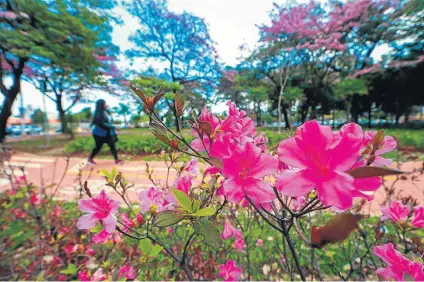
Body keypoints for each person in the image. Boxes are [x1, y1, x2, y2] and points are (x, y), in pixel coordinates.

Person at [87, 99, 124, 165]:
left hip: (106, 133)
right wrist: (114, 126)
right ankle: (90, 159)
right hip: (98, 134)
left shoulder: (105, 112)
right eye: (104, 104)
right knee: (98, 147)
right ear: (101, 105)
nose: (106, 105)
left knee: (112, 145)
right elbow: (103, 124)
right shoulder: (97, 113)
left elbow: (108, 122)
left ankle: (117, 160)